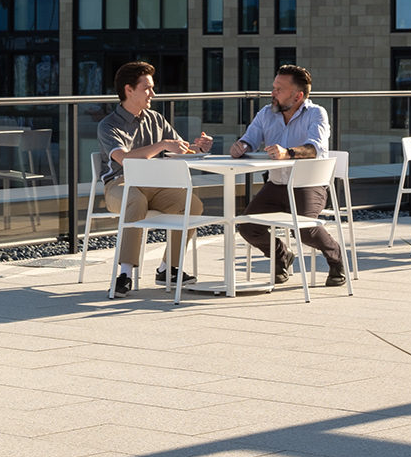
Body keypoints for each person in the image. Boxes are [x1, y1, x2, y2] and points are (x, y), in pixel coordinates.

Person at [96, 61, 213, 296]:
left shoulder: (156, 119)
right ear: (129, 90)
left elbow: (179, 149)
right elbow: (124, 159)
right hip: (120, 185)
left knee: (192, 204)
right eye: (147, 88)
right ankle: (125, 274)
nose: (153, 93)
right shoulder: (108, 125)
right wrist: (161, 144)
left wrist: (199, 148)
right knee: (135, 200)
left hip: (154, 185)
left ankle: (167, 268)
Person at [231, 64, 347, 287]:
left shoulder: (316, 114)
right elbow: (250, 138)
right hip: (276, 184)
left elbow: (316, 149)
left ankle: (336, 258)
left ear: (298, 96)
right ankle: (281, 256)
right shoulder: (266, 113)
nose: (272, 93)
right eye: (273, 87)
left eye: (279, 89)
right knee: (247, 227)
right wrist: (241, 146)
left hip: (308, 185)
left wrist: (288, 153)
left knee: (302, 229)